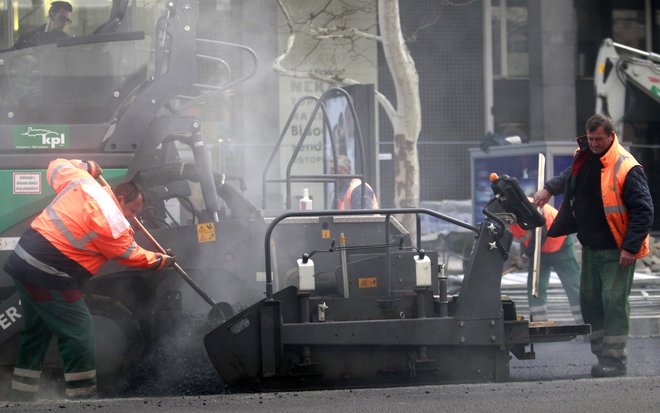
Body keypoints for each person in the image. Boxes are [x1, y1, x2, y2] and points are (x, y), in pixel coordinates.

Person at [3, 158, 175, 400]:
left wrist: (87, 166)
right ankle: (82, 398)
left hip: (22, 261)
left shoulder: (83, 182)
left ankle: (21, 394)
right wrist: (161, 261)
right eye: (133, 211)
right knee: (79, 331)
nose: (133, 217)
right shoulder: (112, 222)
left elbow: (57, 166)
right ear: (121, 199)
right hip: (49, 274)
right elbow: (129, 255)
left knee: (37, 330)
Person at [532, 114, 654, 378]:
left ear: (611, 136)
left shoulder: (626, 167)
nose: (595, 143)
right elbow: (569, 176)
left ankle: (615, 359)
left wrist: (630, 248)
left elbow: (644, 211)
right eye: (590, 138)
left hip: (617, 250)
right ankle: (601, 355)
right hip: (591, 247)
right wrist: (549, 189)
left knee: (613, 302)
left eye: (599, 139)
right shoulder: (584, 155)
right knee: (589, 301)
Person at [509, 201, 582, 323]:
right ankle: (539, 324)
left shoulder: (529, 208)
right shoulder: (512, 213)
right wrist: (523, 256)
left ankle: (585, 324)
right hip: (540, 251)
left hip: (560, 243)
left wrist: (525, 256)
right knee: (535, 288)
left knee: (573, 286)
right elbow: (527, 237)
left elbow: (539, 234)